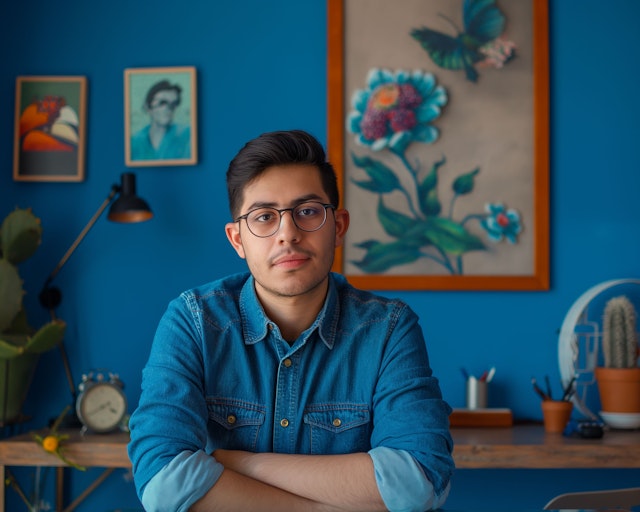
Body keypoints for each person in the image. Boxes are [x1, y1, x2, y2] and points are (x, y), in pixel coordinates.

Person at [128, 129, 454, 511]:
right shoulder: (195, 321)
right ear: (237, 240)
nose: (288, 234)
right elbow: (162, 486)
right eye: (264, 217)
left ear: (339, 226)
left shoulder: (388, 328)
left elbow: (418, 483)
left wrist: (240, 464)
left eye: (308, 212)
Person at [130, 79, 191, 161]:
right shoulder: (135, 141)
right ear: (147, 107)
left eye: (173, 104)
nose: (168, 108)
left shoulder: (187, 135)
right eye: (162, 103)